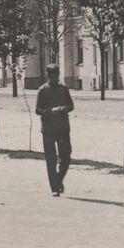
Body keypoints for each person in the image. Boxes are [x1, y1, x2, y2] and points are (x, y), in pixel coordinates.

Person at [35, 64, 74, 196]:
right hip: (48, 129)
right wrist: (51, 111)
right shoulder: (42, 90)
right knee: (50, 159)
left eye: (56, 75)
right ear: (47, 75)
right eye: (51, 75)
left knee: (66, 157)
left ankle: (58, 180)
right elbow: (38, 110)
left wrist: (65, 108)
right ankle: (54, 187)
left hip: (63, 128)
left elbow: (71, 105)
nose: (54, 77)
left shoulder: (64, 89)